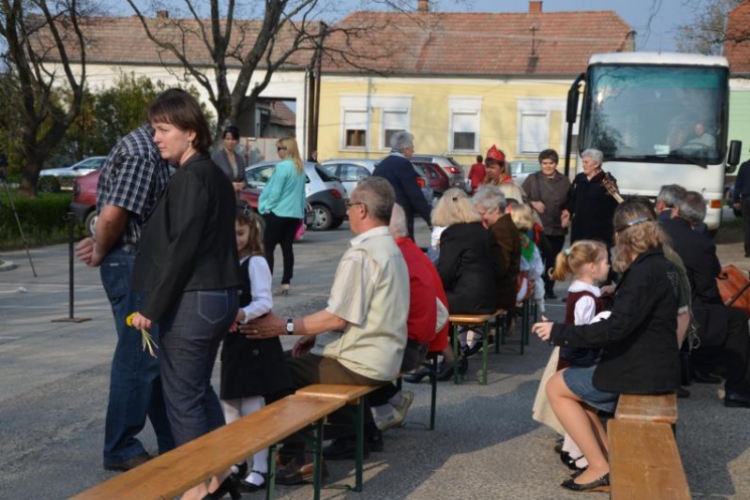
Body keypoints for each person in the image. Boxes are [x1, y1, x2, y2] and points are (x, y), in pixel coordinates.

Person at [240, 176, 409, 481]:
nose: (346, 210)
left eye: (349, 203)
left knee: (272, 369)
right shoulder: (391, 248)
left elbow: (337, 318)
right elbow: (354, 313)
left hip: (361, 362)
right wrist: (312, 333)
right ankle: (353, 435)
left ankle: (298, 457)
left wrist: (284, 325)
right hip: (384, 357)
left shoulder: (362, 254)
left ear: (362, 210)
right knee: (293, 361)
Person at [130, 88, 242, 500]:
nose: (156, 137)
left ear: (191, 133)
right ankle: (221, 469)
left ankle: (202, 485)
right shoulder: (208, 173)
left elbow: (183, 247)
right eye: (153, 129)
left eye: (163, 129)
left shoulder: (194, 176)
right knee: (195, 391)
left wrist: (151, 306)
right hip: (214, 296)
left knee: (180, 396)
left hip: (196, 299)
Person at [533, 200, 682, 492]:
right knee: (577, 390)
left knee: (556, 387)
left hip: (641, 371)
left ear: (621, 235)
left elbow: (614, 330)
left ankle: (601, 468)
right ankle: (607, 461)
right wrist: (620, 293)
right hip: (654, 363)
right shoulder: (659, 264)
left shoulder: (643, 273)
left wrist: (558, 332)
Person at [74, 123, 174, 472]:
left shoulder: (145, 147)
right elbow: (113, 213)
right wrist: (102, 248)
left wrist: (103, 246)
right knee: (138, 356)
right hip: (133, 264)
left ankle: (171, 437)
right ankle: (120, 446)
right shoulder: (144, 154)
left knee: (150, 355)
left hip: (136, 262)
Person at [220, 207, 293, 493]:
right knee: (229, 401)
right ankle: (238, 459)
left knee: (252, 405)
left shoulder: (255, 262)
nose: (235, 238)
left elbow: (264, 302)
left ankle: (261, 467)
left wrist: (241, 314)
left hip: (254, 339)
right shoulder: (228, 261)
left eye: (240, 233)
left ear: (252, 232)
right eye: (230, 233)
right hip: (235, 341)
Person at [661, 191, 750, 407]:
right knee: (735, 319)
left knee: (715, 316)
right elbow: (707, 287)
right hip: (682, 312)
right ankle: (737, 390)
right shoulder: (701, 243)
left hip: (655, 303)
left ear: (675, 210)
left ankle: (700, 366)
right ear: (699, 219)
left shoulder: (657, 230)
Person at [368, 203, 442, 431]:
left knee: (344, 361)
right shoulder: (411, 251)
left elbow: (375, 312)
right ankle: (391, 403)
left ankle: (359, 433)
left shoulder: (394, 257)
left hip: (408, 348)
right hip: (424, 341)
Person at [546, 240, 610, 473]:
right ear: (592, 267)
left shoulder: (583, 291)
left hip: (573, 355)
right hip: (580, 357)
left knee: (581, 405)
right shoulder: (586, 298)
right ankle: (577, 453)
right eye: (605, 261)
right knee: (581, 404)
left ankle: (573, 450)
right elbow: (585, 333)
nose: (609, 266)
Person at [436, 188, 498, 374]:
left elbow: (445, 273)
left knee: (427, 304)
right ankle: (454, 353)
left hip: (469, 299)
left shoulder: (453, 233)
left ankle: (450, 356)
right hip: (487, 297)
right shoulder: (481, 230)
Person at [470, 185, 520, 353]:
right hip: (505, 288)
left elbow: (500, 267)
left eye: (483, 213)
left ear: (496, 209)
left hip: (501, 292)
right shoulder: (504, 225)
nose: (481, 218)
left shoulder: (500, 229)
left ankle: (467, 344)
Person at [258, 136, 306, 296]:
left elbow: (275, 192)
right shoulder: (299, 167)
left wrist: (267, 208)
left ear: (287, 150)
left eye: (280, 148)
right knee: (287, 248)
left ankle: (266, 283)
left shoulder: (282, 167)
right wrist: (301, 212)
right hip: (293, 214)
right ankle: (286, 282)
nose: (277, 151)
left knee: (268, 248)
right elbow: (302, 194)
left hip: (278, 212)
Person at [522, 149, 571, 299]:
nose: (548, 166)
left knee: (553, 261)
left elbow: (570, 201)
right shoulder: (532, 179)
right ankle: (533, 290)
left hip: (557, 228)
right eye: (544, 163)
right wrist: (533, 203)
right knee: (535, 261)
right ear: (540, 163)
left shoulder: (564, 181)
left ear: (556, 164)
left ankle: (548, 289)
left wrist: (568, 213)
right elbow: (521, 197)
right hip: (537, 227)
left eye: (551, 163)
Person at [373, 130, 432, 239]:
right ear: (405, 149)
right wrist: (430, 220)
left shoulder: (382, 164)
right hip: (401, 217)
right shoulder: (403, 164)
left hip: (383, 216)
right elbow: (414, 195)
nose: (413, 151)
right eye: (412, 148)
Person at [561, 149, 619, 250]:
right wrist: (568, 211)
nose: (583, 165)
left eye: (586, 162)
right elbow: (572, 197)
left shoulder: (607, 181)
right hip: (579, 231)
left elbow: (616, 204)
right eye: (583, 162)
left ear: (596, 164)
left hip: (599, 234)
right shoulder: (580, 178)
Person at [508, 201, 545, 315]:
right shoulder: (528, 243)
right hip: (521, 286)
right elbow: (537, 270)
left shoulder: (505, 239)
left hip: (509, 288)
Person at [211, 124, 246, 195]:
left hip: (236, 199)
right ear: (223, 140)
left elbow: (244, 179)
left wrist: (243, 184)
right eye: (228, 139)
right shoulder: (216, 157)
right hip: (221, 198)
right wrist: (229, 185)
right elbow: (211, 179)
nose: (230, 142)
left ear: (237, 141)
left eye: (233, 139)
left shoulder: (240, 159)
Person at [733, 151, 750, 257]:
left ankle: (748, 252)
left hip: (746, 199)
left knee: (747, 225)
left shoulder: (744, 166)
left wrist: (736, 200)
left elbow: (738, 184)